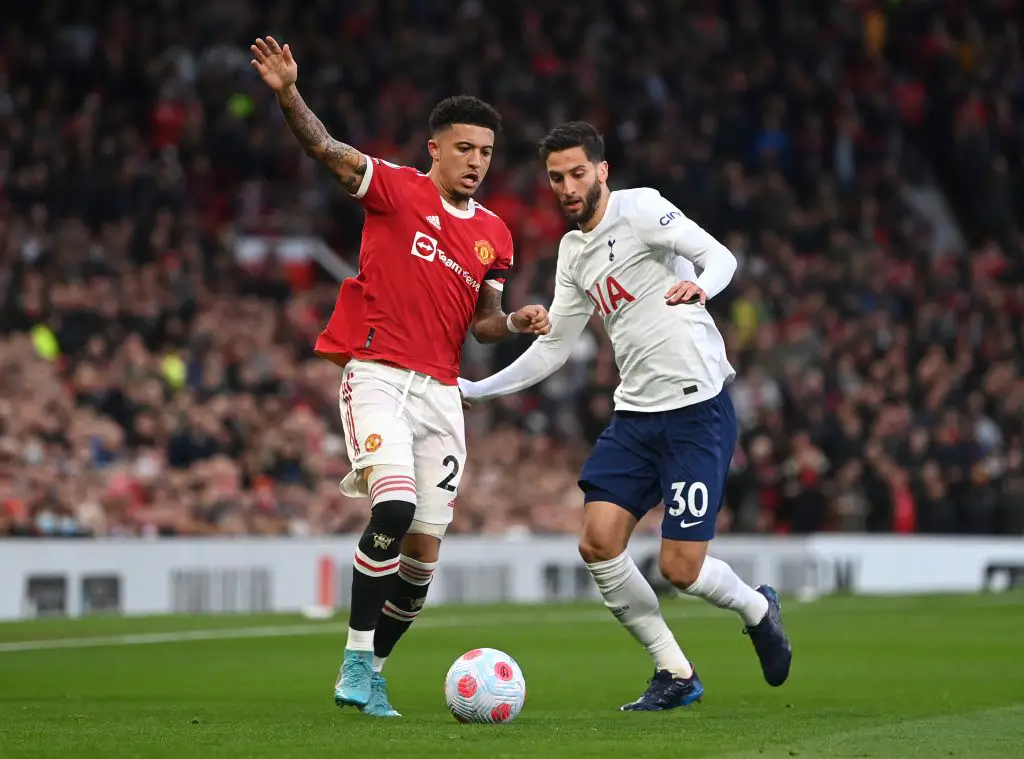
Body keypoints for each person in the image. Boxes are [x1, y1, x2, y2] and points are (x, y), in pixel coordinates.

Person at [250, 37, 550, 717]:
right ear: (435, 148)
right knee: (392, 506)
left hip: (442, 394)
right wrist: (288, 92)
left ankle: (375, 667)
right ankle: (355, 660)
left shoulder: (496, 235)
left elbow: (485, 323)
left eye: (486, 152)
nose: (476, 161)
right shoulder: (395, 188)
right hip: (380, 375)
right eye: (465, 148)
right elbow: (325, 148)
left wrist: (519, 322)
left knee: (420, 560)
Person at [459, 121, 792, 711]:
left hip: (696, 410)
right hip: (636, 417)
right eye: (557, 177)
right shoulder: (572, 252)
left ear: (601, 171)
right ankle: (674, 671)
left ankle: (758, 608)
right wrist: (480, 389)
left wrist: (702, 290)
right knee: (597, 542)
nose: (567, 187)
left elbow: (718, 257)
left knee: (681, 568)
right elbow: (555, 347)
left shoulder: (641, 210)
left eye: (577, 173)